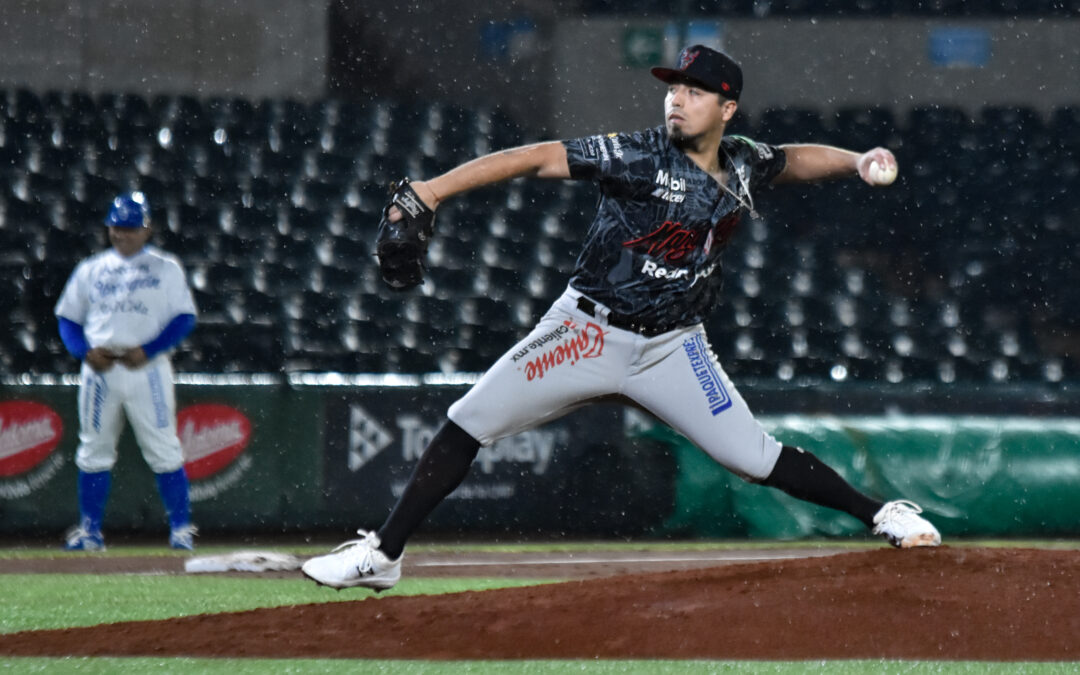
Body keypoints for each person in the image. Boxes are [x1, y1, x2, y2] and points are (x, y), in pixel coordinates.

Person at [302, 45, 941, 590]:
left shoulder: (742, 160)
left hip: (673, 347)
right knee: (467, 423)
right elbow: (536, 157)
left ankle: (883, 514)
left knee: (754, 456)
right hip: (586, 331)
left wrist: (856, 161)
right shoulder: (636, 156)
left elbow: (792, 158)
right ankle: (382, 555)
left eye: (696, 92)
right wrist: (434, 190)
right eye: (674, 88)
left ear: (727, 110)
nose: (677, 100)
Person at [54, 191, 199, 551]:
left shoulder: (165, 267)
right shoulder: (91, 269)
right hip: (101, 368)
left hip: (146, 368)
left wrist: (149, 349)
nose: (123, 234)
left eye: (131, 228)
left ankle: (181, 529)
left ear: (147, 229)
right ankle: (89, 532)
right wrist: (83, 352)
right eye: (117, 227)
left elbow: (185, 318)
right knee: (93, 449)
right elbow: (68, 319)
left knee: (164, 447)